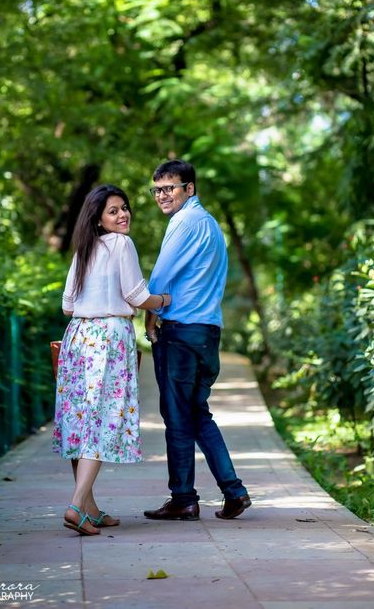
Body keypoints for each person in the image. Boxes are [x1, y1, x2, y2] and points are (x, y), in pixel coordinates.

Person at [54, 184, 171, 536]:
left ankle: (91, 509)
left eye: (124, 208)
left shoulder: (84, 249)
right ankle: (76, 507)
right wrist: (165, 299)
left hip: (78, 337)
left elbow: (67, 305)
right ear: (100, 219)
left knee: (82, 420)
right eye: (113, 211)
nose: (123, 215)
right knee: (102, 420)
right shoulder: (121, 244)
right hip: (108, 339)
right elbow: (136, 294)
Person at [143, 159, 252, 521]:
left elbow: (160, 274)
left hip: (180, 331)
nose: (162, 195)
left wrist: (150, 311)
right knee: (197, 413)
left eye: (169, 188)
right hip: (207, 332)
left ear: (189, 189)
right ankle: (234, 492)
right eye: (157, 189)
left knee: (177, 417)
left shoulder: (184, 221)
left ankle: (184, 499)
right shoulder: (210, 225)